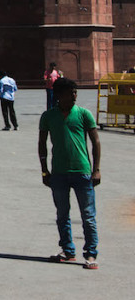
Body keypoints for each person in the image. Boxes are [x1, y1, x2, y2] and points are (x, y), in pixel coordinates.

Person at [39, 77, 101, 269]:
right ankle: (68, 250)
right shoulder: (48, 116)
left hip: (82, 171)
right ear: (58, 95)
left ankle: (91, 254)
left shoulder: (83, 114)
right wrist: (44, 171)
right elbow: (42, 144)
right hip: (58, 172)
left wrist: (96, 169)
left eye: (75, 92)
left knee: (88, 215)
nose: (74, 96)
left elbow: (95, 142)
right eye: (70, 93)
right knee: (62, 214)